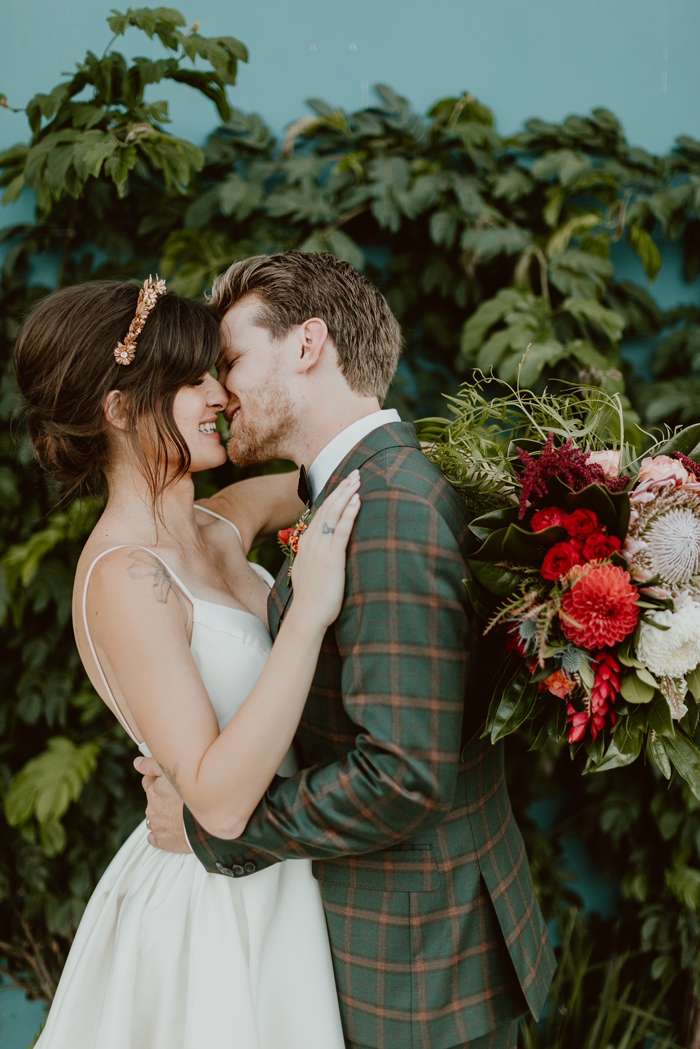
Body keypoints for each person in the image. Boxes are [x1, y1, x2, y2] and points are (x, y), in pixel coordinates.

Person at [139, 251, 556, 1049]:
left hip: (418, 973)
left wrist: (215, 827)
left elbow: (399, 775)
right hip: (412, 946)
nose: (220, 390)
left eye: (230, 360)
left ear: (307, 345)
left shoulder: (389, 509)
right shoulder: (352, 486)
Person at [13, 276, 360, 1049]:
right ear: (120, 409)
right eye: (192, 379)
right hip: (214, 902)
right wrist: (305, 615)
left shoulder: (215, 523)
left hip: (288, 872)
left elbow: (318, 479)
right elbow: (219, 804)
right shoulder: (123, 579)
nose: (219, 393)